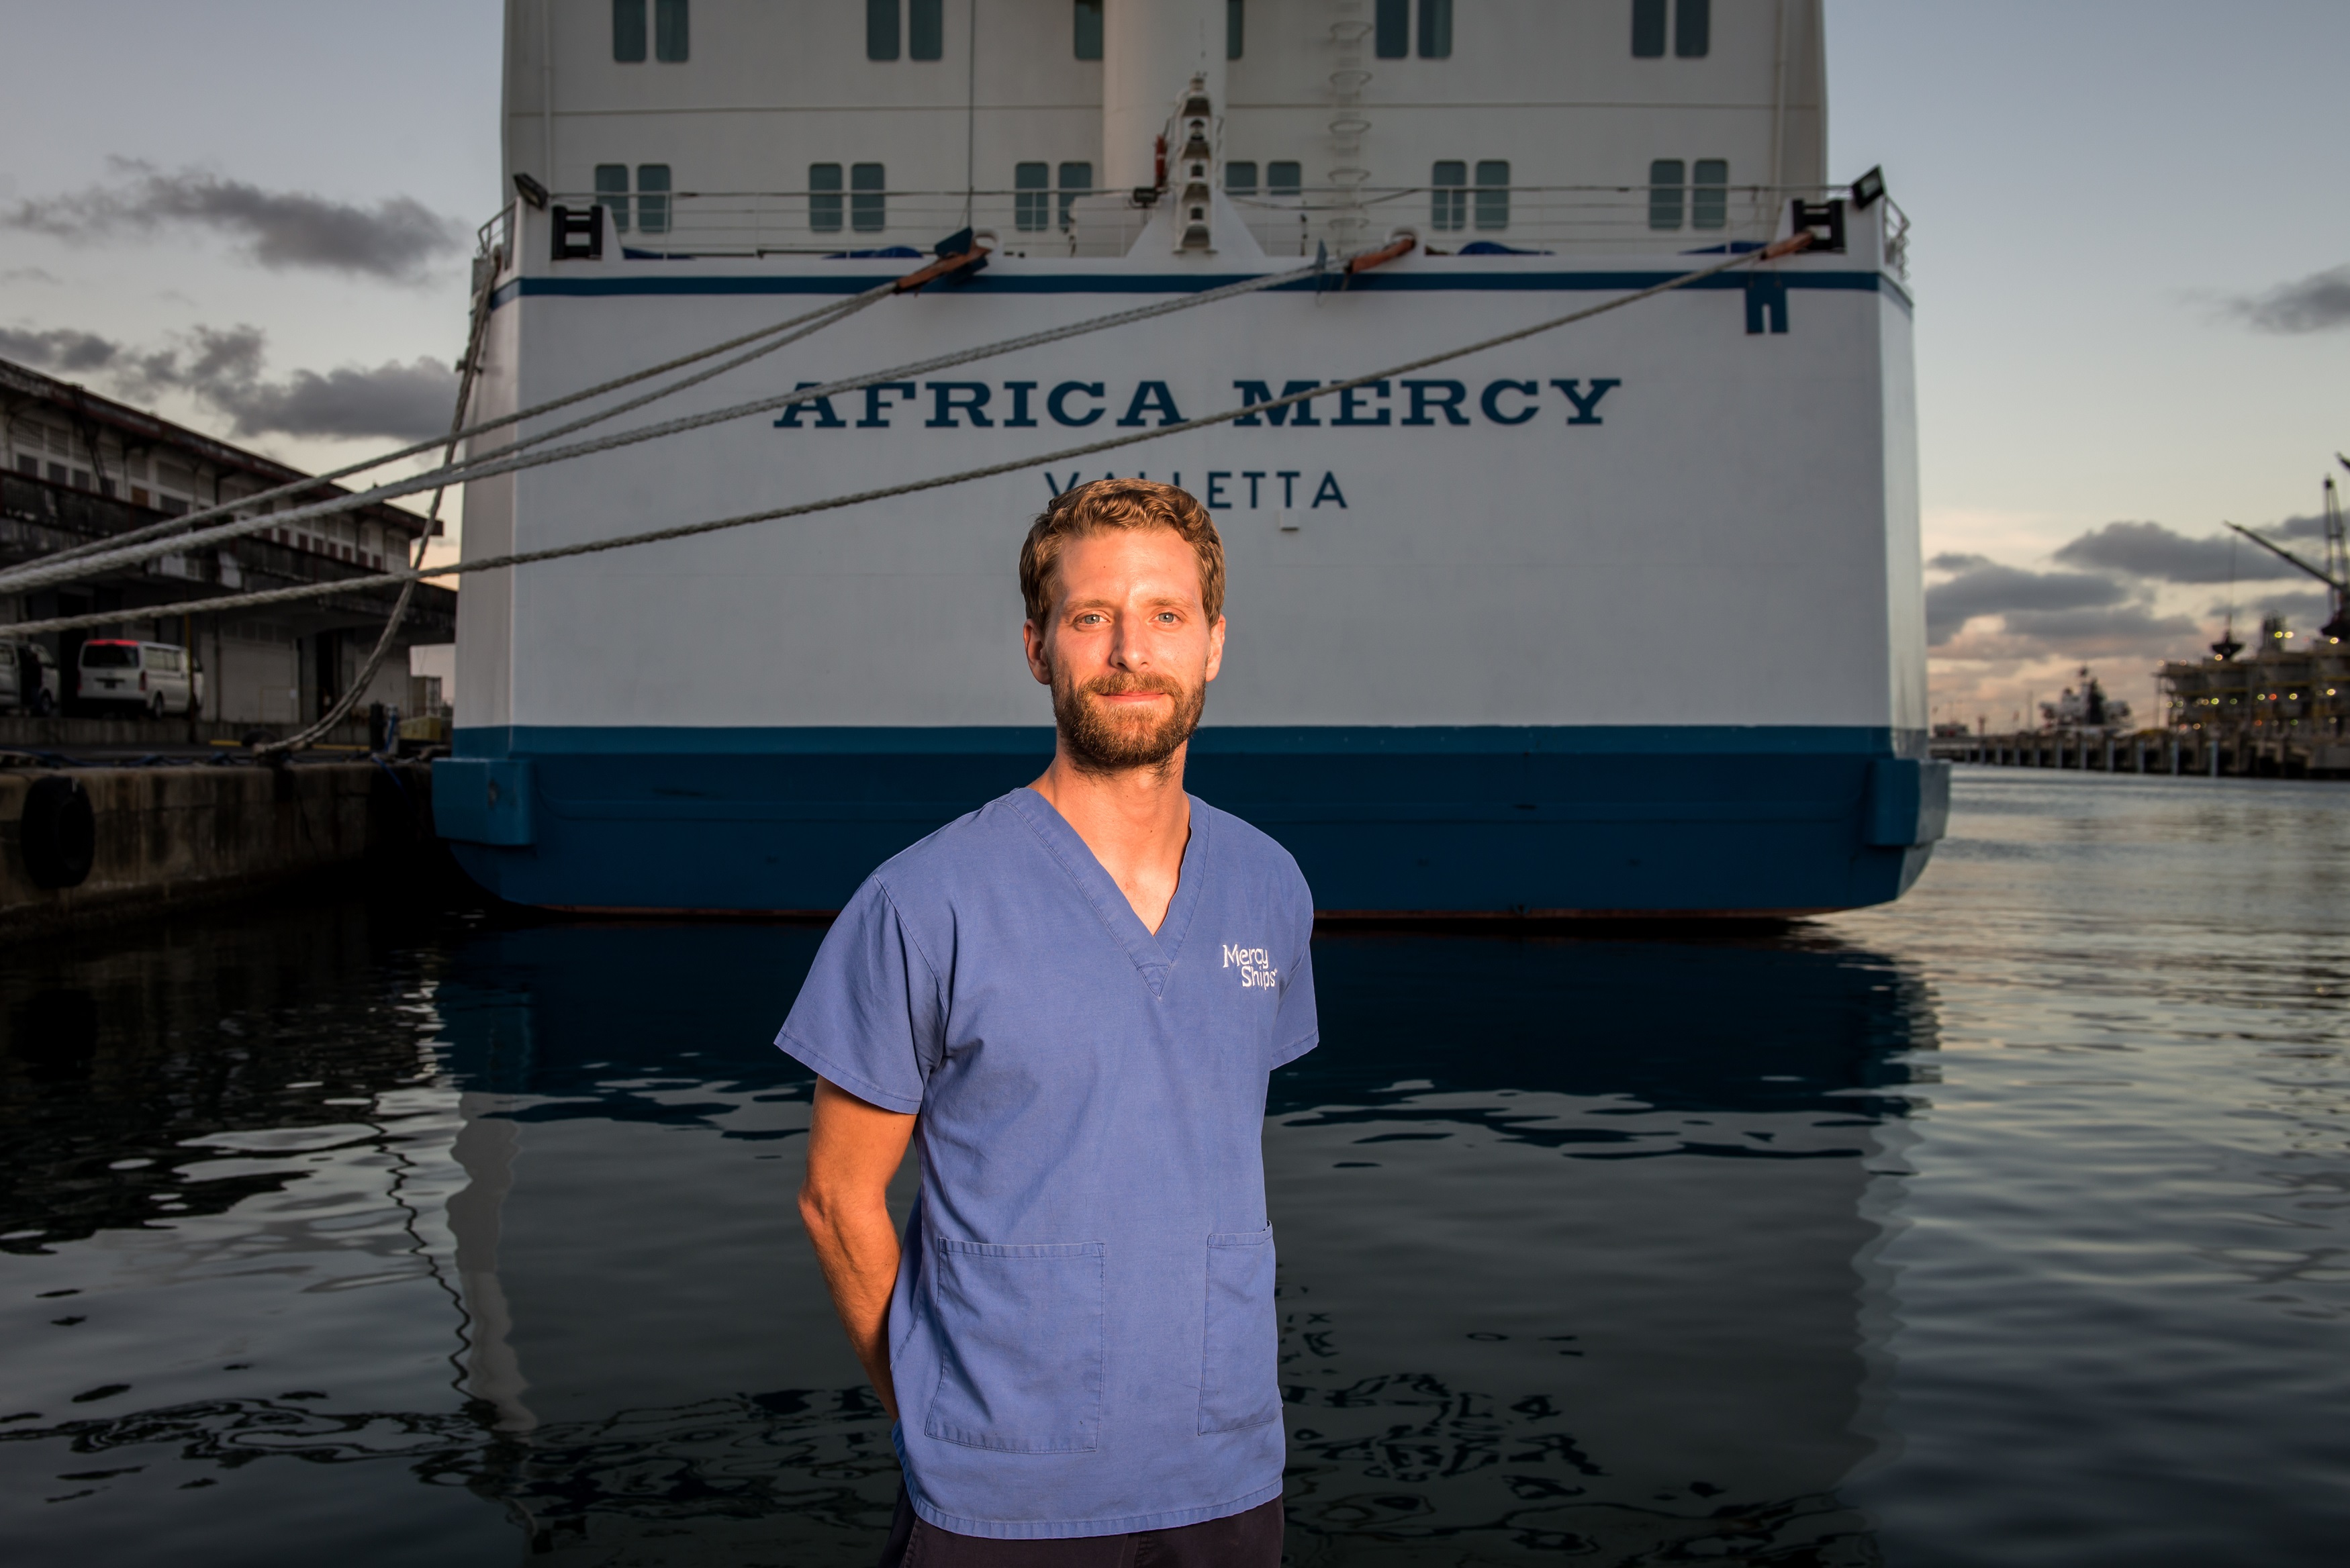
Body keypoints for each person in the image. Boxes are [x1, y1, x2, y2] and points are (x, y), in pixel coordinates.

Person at [777, 479, 1319, 1565]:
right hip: (999, 1496)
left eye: (1166, 615)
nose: (1131, 650)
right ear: (1039, 649)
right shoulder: (923, 903)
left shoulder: (1269, 885)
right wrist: (930, 1407)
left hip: (1226, 1472)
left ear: (1215, 644)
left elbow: (1202, 1143)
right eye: (1091, 618)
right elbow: (839, 1202)